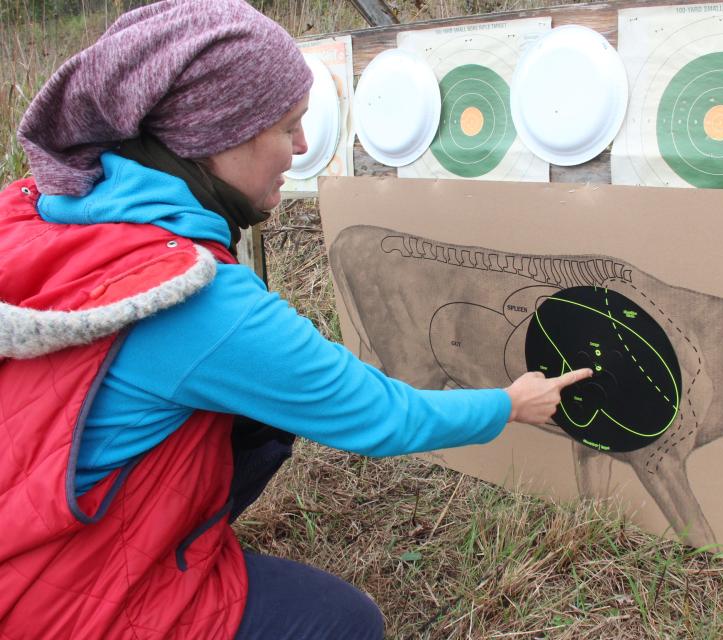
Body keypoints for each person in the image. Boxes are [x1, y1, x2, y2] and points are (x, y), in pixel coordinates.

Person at [0, 1, 590, 638]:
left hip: (26, 530)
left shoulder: (46, 211)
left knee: (257, 417)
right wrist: (508, 403)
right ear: (215, 140)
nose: (304, 147)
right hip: (55, 601)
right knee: (344, 623)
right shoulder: (200, 306)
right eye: (288, 127)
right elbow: (384, 416)